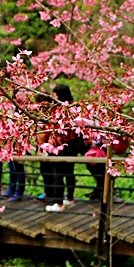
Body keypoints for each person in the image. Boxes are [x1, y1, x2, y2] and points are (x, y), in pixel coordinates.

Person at [45, 84, 85, 213]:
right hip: (72, 145)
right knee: (69, 172)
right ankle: (69, 198)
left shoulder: (57, 109)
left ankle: (59, 202)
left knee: (58, 173)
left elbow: (51, 127)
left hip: (59, 145)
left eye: (55, 94)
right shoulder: (74, 107)